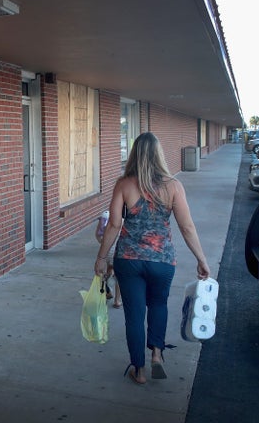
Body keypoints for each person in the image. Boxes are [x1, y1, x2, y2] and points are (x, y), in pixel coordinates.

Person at [93, 132, 210, 385]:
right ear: (159, 154)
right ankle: (157, 353)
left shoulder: (124, 184)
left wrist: (102, 257)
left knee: (134, 315)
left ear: (134, 154)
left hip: (129, 259)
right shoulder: (173, 186)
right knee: (158, 305)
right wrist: (201, 259)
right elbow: (187, 227)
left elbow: (114, 224)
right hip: (162, 260)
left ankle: (140, 370)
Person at [95, 210, 122, 308]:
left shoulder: (105, 215)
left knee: (107, 270)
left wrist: (103, 243)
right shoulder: (127, 218)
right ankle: (117, 300)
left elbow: (98, 235)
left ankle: (105, 292)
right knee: (119, 276)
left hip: (107, 251)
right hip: (120, 251)